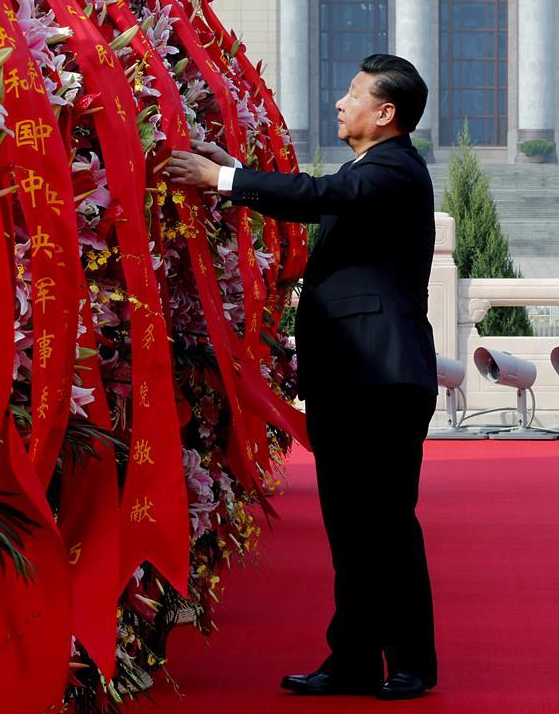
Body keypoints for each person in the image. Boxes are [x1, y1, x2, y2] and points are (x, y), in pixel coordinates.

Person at [165, 53, 439, 701]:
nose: (341, 102)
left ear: (386, 112)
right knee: (354, 528)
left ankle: (411, 662)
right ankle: (355, 661)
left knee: (383, 525)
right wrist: (228, 169)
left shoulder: (393, 169)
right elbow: (313, 194)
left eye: (354, 93)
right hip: (351, 377)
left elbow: (316, 197)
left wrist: (224, 179)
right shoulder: (368, 170)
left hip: (381, 377)